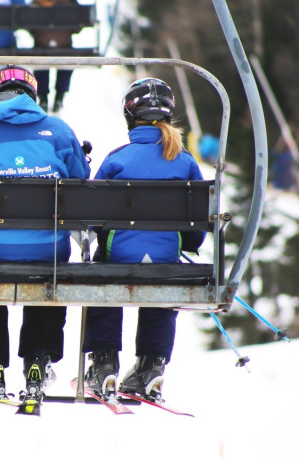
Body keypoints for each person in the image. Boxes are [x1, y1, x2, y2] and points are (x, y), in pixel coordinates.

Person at [0, 64, 91, 401]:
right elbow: (81, 181)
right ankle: (38, 360)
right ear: (32, 95)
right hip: (48, 251)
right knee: (50, 271)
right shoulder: (58, 131)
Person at [82, 78, 205, 402]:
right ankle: (151, 365)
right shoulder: (185, 161)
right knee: (163, 284)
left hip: (119, 259)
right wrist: (188, 242)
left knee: (102, 283)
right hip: (164, 261)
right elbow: (197, 225)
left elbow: (92, 215)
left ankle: (104, 362)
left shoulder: (117, 159)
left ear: (130, 116)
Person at [31, 0, 75, 114]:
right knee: (66, 60)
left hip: (41, 44)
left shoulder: (36, 3)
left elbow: (29, 24)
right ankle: (60, 97)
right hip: (64, 45)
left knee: (40, 59)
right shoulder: (70, 3)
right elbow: (77, 25)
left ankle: (43, 97)